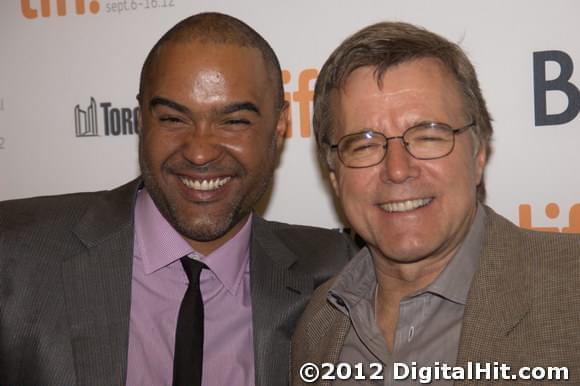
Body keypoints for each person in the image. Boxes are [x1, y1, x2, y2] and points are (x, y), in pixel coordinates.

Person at [0, 12, 355, 386]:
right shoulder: (14, 254)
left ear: (279, 126)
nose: (199, 153)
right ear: (140, 119)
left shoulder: (337, 273)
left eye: (234, 122)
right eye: (172, 119)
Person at [291, 21, 580, 384]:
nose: (397, 170)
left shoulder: (571, 287)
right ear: (334, 176)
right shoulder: (318, 325)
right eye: (364, 145)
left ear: (478, 154)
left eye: (428, 136)